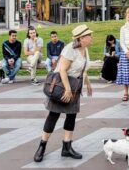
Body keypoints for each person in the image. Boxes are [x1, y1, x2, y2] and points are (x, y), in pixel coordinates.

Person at [33, 24, 93, 163]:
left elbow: (82, 69)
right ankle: (42, 147)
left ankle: (67, 147)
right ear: (82, 38)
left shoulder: (85, 49)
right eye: (89, 35)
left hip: (75, 87)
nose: (92, 37)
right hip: (62, 86)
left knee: (71, 117)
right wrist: (67, 89)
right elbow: (62, 70)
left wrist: (88, 84)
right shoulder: (70, 49)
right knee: (53, 116)